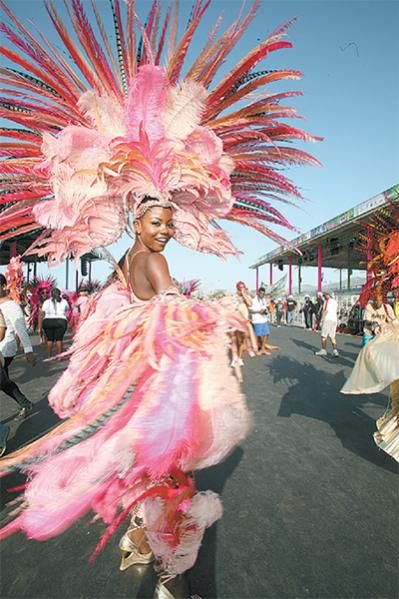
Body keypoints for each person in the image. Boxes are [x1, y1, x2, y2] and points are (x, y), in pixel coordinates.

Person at [0, 2, 320, 597]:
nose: (167, 228)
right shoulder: (151, 259)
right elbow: (179, 314)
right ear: (138, 220)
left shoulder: (129, 259)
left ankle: (150, 545)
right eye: (158, 219)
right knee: (171, 477)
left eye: (172, 220)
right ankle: (170, 568)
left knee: (155, 475)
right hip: (149, 393)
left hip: (141, 387)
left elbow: (153, 316)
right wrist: (227, 320)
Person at [0, 274, 36, 419]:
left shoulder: (11, 306)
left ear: (3, 286)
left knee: (3, 381)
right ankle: (25, 403)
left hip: (5, 349)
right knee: (3, 382)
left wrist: (28, 350)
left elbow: (20, 328)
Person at [39, 288, 70, 358]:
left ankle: (49, 356)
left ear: (51, 294)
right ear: (59, 294)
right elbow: (67, 309)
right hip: (61, 321)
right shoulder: (64, 301)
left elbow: (43, 312)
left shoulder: (47, 302)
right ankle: (59, 356)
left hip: (48, 321)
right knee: (59, 339)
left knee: (50, 339)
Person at [250, 287, 277, 355]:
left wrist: (266, 311)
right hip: (257, 320)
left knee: (267, 334)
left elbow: (265, 308)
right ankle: (256, 350)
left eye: (263, 294)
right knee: (258, 335)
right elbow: (250, 310)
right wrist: (258, 311)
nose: (262, 295)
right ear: (258, 293)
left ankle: (262, 349)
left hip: (263, 319)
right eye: (261, 293)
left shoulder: (264, 300)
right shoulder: (253, 300)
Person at [315, 291, 339, 357]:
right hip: (334, 319)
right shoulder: (335, 302)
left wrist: (321, 321)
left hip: (328, 319)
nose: (324, 297)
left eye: (324, 295)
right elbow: (337, 311)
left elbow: (325, 311)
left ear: (327, 295)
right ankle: (335, 350)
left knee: (323, 335)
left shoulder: (327, 301)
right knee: (332, 336)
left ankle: (323, 350)